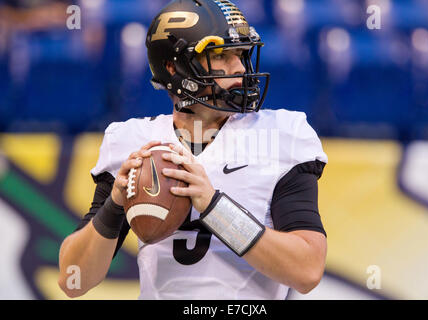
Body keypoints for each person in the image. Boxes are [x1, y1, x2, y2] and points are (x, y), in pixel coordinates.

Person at [58, 0, 328, 300]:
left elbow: (307, 271)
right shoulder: (135, 142)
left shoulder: (280, 133)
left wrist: (213, 207)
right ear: (175, 67)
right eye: (222, 56)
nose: (239, 68)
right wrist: (115, 204)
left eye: (240, 54)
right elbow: (73, 280)